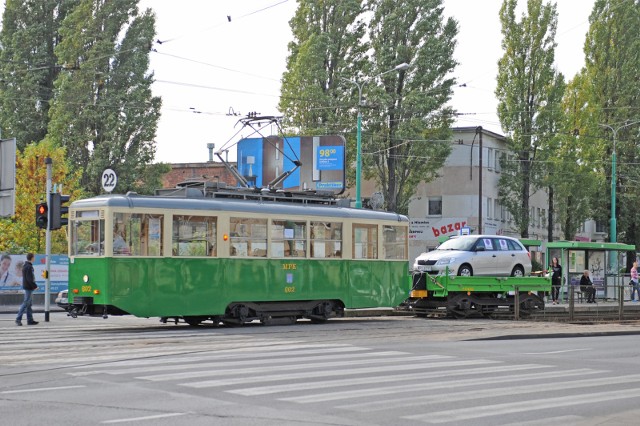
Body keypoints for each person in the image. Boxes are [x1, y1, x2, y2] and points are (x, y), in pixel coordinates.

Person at [15, 253, 38, 326]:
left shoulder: (26, 266)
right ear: (31, 258)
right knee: (25, 303)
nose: (34, 258)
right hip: (28, 287)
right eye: (34, 257)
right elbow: (29, 278)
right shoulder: (28, 267)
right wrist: (35, 286)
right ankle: (18, 319)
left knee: (29, 304)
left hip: (27, 286)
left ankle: (30, 320)